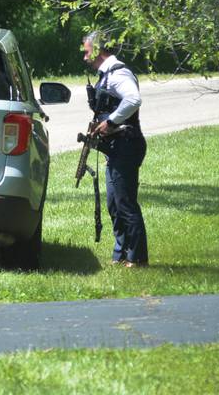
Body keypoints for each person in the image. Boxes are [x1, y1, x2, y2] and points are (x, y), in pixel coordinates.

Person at [82, 31, 148, 267]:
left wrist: (111, 122)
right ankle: (120, 255)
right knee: (114, 203)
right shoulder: (105, 75)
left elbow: (133, 100)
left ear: (98, 49)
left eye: (87, 51)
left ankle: (138, 257)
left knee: (125, 202)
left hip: (127, 145)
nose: (84, 57)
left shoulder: (119, 73)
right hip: (116, 147)